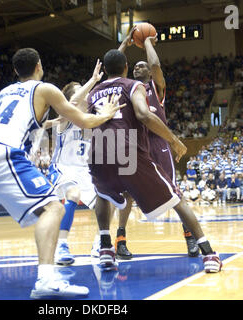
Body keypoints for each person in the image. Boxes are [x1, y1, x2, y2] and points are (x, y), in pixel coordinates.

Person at [0, 48, 124, 298]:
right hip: (6, 155)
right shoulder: (44, 89)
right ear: (39, 66)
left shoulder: (5, 92)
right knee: (54, 208)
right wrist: (105, 114)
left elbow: (36, 123)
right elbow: (81, 119)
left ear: (15, 71)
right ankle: (46, 280)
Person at [87, 48, 222, 273]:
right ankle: (208, 253)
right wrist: (174, 139)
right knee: (176, 198)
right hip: (130, 150)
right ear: (126, 68)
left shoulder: (94, 91)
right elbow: (144, 114)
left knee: (103, 193)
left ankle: (105, 249)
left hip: (99, 151)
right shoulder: (132, 86)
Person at [117, 29, 199, 257]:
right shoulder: (128, 89)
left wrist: (148, 43)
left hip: (158, 144)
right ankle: (120, 240)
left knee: (173, 192)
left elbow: (155, 67)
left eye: (141, 66)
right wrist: (124, 45)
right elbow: (113, 68)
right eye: (134, 66)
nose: (137, 68)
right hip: (134, 144)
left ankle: (190, 237)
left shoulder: (156, 87)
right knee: (127, 194)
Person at [44, 60, 106, 265]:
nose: (86, 96)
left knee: (106, 201)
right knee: (73, 194)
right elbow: (71, 104)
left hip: (83, 171)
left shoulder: (90, 119)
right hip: (62, 168)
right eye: (80, 93)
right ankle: (61, 245)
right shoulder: (65, 118)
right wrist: (93, 80)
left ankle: (100, 243)